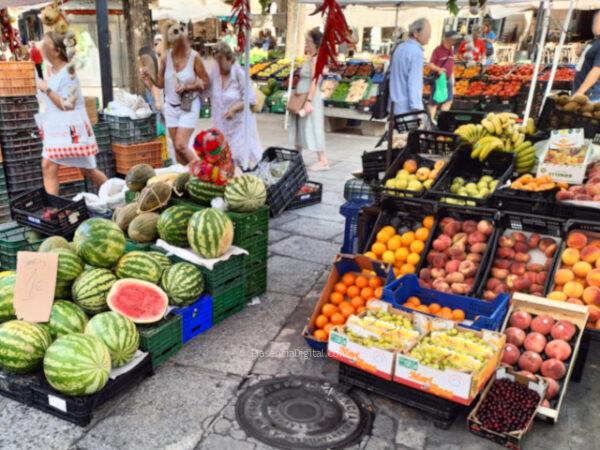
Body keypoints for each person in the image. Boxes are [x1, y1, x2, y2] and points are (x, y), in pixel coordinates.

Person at [36, 31, 107, 195]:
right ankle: (53, 209)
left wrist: (46, 88)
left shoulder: (69, 74)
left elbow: (67, 105)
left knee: (87, 170)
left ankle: (116, 194)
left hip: (70, 131)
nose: (41, 48)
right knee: (49, 165)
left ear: (56, 50)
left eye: (45, 45)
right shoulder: (55, 72)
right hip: (59, 130)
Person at [140, 21, 209, 165]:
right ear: (173, 44)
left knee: (181, 145)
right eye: (180, 42)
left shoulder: (194, 57)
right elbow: (160, 84)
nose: (184, 44)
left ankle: (204, 173)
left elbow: (205, 82)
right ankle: (188, 181)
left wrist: (188, 87)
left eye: (184, 40)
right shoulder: (166, 59)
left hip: (189, 106)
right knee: (178, 154)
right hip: (171, 107)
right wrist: (149, 80)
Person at [208, 41, 262, 169]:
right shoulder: (215, 74)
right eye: (216, 61)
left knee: (238, 157)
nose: (218, 66)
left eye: (220, 61)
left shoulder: (238, 73)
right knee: (224, 159)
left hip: (239, 125)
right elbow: (205, 91)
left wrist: (234, 108)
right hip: (221, 125)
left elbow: (251, 97)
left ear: (229, 59)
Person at [289, 28, 329, 171]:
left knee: (314, 126)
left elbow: (315, 79)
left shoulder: (315, 58)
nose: (306, 43)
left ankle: (323, 160)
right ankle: (297, 157)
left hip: (310, 96)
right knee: (300, 125)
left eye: (308, 41)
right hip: (303, 95)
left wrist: (309, 100)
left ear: (315, 43)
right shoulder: (310, 56)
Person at [389, 18, 431, 115]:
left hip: (394, 106)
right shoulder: (416, 52)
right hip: (406, 110)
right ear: (416, 33)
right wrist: (418, 110)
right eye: (427, 32)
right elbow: (414, 82)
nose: (429, 35)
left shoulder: (400, 47)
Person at [428, 31, 459, 120]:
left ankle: (441, 120)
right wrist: (438, 69)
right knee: (434, 102)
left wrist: (453, 79)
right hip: (438, 79)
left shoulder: (451, 51)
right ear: (447, 39)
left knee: (449, 100)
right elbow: (430, 64)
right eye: (453, 39)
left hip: (448, 79)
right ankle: (430, 122)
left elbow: (451, 65)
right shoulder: (437, 50)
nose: (455, 41)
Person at [573, 11, 600, 102]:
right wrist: (581, 53)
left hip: (591, 96)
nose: (594, 25)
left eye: (597, 21)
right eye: (594, 22)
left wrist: (580, 92)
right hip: (583, 94)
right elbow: (590, 57)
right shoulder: (595, 41)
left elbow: (597, 70)